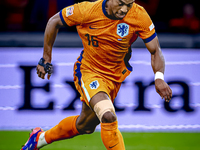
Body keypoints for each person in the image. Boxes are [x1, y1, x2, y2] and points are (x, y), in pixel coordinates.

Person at [21, 0, 172, 149]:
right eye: (120, 3)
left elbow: (155, 50)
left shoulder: (139, 15)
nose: (125, 9)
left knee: (85, 125)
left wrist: (159, 77)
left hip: (114, 77)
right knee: (108, 116)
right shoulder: (87, 10)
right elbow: (53, 21)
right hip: (89, 71)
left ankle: (39, 138)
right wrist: (46, 58)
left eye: (129, 4)